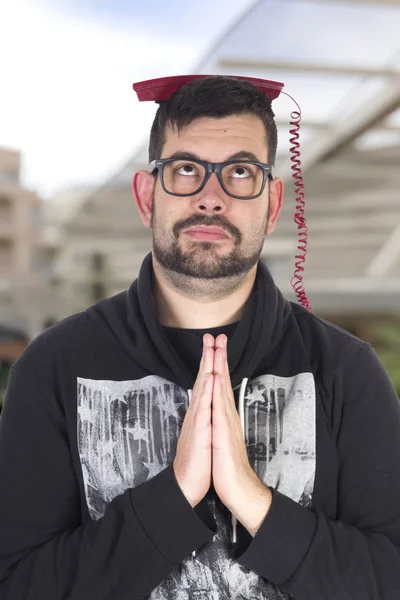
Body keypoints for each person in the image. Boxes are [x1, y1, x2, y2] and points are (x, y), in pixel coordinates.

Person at [0, 74, 400, 600]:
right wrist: (174, 496)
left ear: (272, 203)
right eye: (186, 169)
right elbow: (16, 584)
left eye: (240, 171)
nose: (211, 198)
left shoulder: (344, 369)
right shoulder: (55, 364)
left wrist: (251, 499)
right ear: (148, 196)